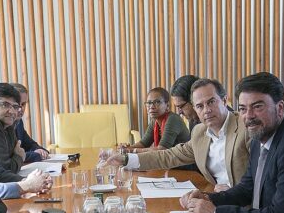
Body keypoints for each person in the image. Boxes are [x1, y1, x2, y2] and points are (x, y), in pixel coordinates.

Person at [181, 72, 284, 213]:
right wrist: (209, 198)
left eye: (257, 107)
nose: (249, 116)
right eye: (243, 109)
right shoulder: (261, 133)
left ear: (279, 108)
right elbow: (246, 188)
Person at [106, 78, 251, 192]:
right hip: (217, 197)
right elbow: (169, 156)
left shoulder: (246, 126)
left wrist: (233, 192)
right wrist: (125, 159)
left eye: (211, 102)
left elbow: (259, 176)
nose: (206, 110)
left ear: (224, 100)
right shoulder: (200, 132)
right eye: (199, 106)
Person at [123, 87, 191, 153]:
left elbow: (161, 150)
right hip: (169, 159)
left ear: (167, 105)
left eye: (157, 102)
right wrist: (125, 148)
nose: (152, 107)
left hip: (183, 159)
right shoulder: (154, 121)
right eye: (149, 103)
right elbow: (143, 144)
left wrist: (131, 150)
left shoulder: (173, 119)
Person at [9, 82, 50, 162]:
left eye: (23, 104)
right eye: (17, 104)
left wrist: (40, 150)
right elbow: (10, 157)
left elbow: (30, 144)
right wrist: (36, 154)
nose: (20, 109)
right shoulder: (1, 125)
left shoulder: (19, 122)